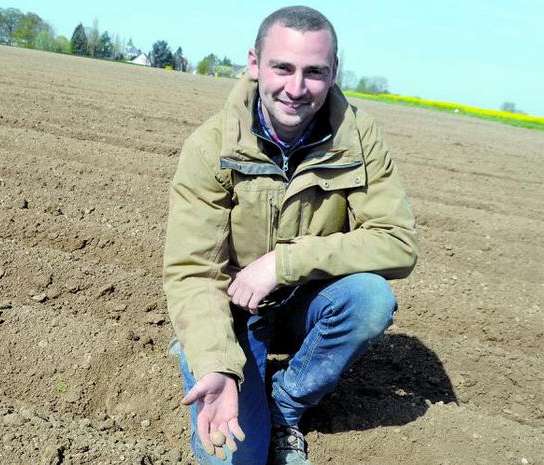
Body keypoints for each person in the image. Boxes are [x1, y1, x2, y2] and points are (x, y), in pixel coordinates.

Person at [163, 6, 418, 465]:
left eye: (314, 72)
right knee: (238, 458)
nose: (296, 88)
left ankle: (287, 404)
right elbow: (194, 272)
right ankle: (209, 354)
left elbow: (397, 242)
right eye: (282, 67)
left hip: (304, 301)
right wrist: (217, 364)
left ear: (334, 72)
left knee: (370, 297)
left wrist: (282, 263)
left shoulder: (357, 140)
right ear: (254, 64)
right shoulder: (211, 147)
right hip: (235, 311)